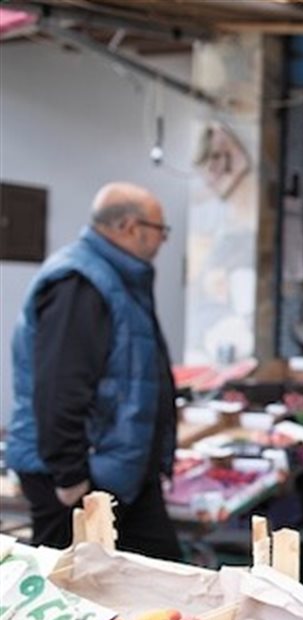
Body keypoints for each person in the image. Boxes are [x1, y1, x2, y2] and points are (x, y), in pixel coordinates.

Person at [8, 182, 182, 561]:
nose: (162, 242)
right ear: (130, 227)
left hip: (119, 472)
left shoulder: (118, 278)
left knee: (156, 583)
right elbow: (58, 390)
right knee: (74, 598)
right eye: (160, 231)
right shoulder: (81, 282)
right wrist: (70, 478)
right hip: (82, 477)